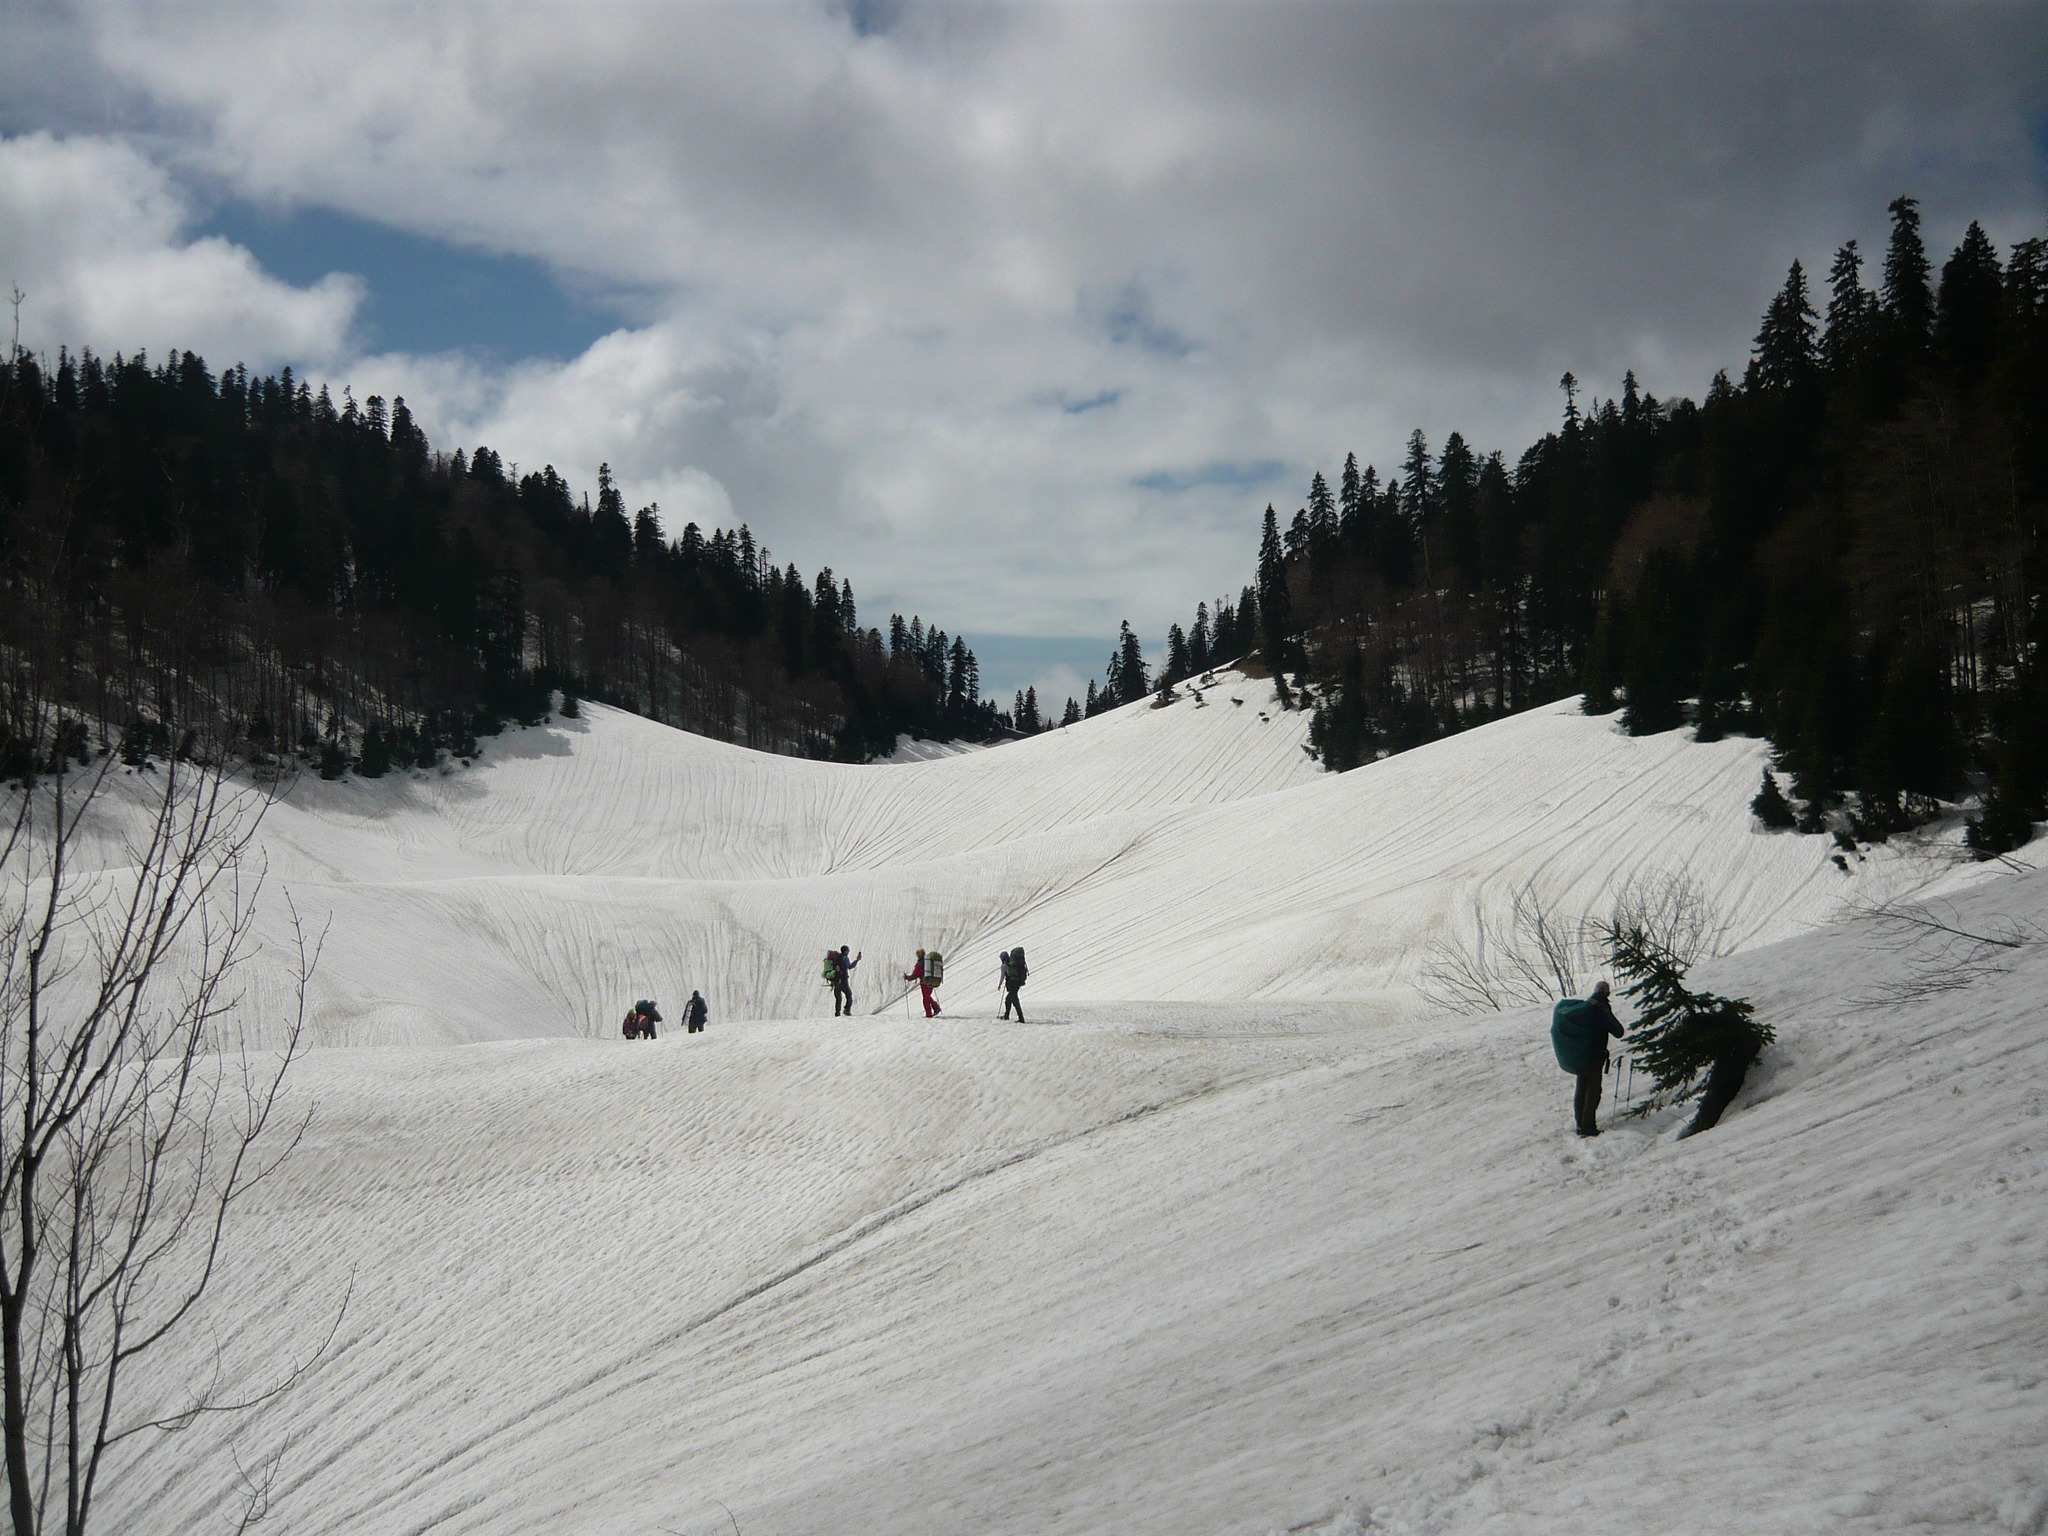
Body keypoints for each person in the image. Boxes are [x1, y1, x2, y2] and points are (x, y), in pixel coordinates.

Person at [1551, 980, 1625, 1137]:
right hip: (1594, 1055)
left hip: (1582, 1053)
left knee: (1581, 1088)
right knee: (1593, 1091)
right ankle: (1588, 1127)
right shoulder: (1600, 1007)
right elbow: (1618, 1031)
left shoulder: (1587, 1005)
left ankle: (1580, 1125)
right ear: (1606, 993)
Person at [904, 948, 942, 1018]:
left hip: (925, 983)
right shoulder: (929, 962)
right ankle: (936, 1008)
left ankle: (929, 1015)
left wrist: (907, 977)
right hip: (931, 981)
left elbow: (914, 975)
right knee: (927, 996)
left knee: (925, 999)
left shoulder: (920, 964)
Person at [831, 945, 862, 1017]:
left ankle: (837, 1013)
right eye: (848, 951)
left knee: (838, 998)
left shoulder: (836, 958)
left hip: (836, 980)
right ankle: (847, 1010)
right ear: (845, 951)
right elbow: (850, 966)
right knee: (849, 995)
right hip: (843, 980)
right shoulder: (845, 958)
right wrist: (857, 960)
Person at [999, 946, 1028, 1022]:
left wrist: (999, 985)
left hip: (1012, 983)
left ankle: (1021, 1018)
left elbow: (1002, 976)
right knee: (1008, 999)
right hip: (1017, 982)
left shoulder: (1004, 965)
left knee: (1015, 1000)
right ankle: (1006, 1015)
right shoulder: (1011, 963)